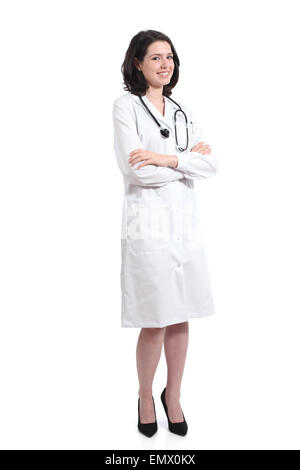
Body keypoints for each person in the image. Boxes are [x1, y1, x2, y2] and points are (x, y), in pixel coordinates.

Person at [112, 30, 218, 437]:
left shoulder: (181, 109)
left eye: (169, 57)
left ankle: (173, 395)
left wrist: (164, 157)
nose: (164, 64)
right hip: (149, 227)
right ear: (137, 63)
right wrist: (183, 162)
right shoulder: (126, 107)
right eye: (155, 57)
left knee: (181, 316)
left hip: (184, 227)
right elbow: (135, 168)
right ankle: (144, 394)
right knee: (155, 318)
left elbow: (211, 165)